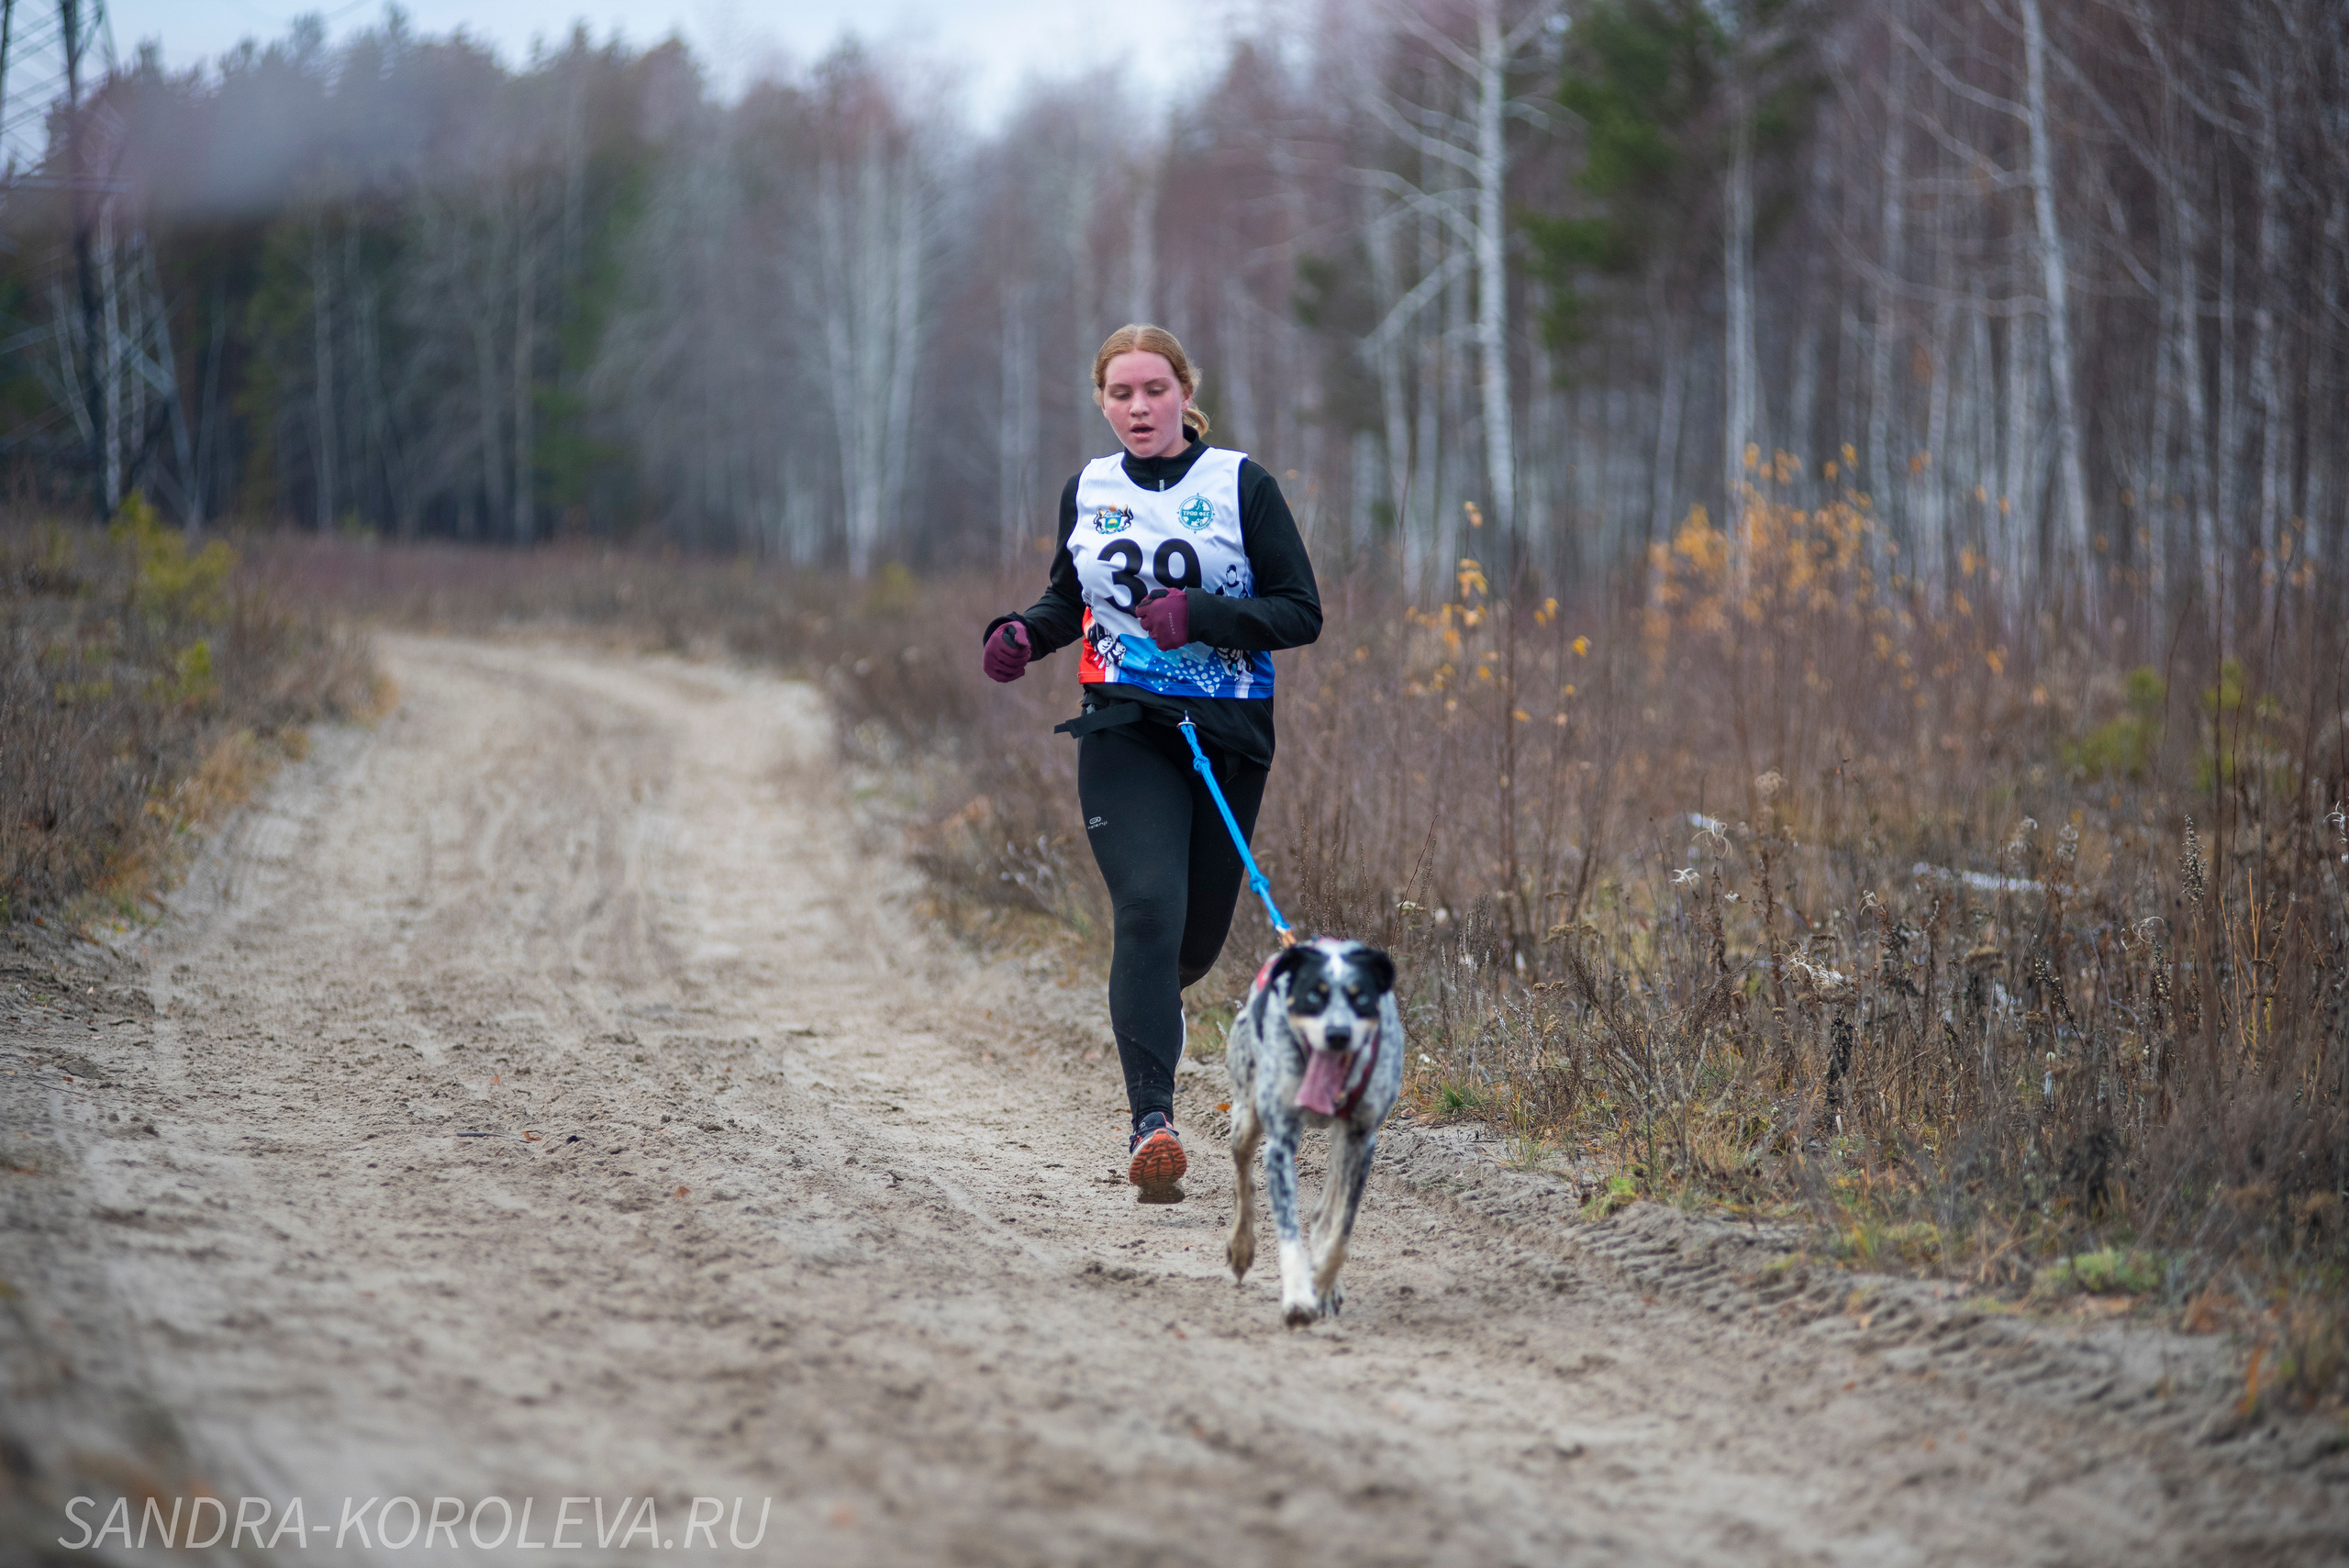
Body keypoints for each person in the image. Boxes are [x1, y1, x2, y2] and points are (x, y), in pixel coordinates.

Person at [982, 323, 1321, 1201]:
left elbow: (1299, 611)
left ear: (1184, 393)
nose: (1139, 407)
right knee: (1146, 908)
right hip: (1123, 725)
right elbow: (1070, 595)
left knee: (1190, 941)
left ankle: (1150, 1003)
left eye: (1155, 390)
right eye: (1122, 393)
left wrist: (1205, 614)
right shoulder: (1088, 489)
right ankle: (1152, 1123)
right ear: (1101, 400)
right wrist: (1024, 632)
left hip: (1228, 732)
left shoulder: (1241, 484)